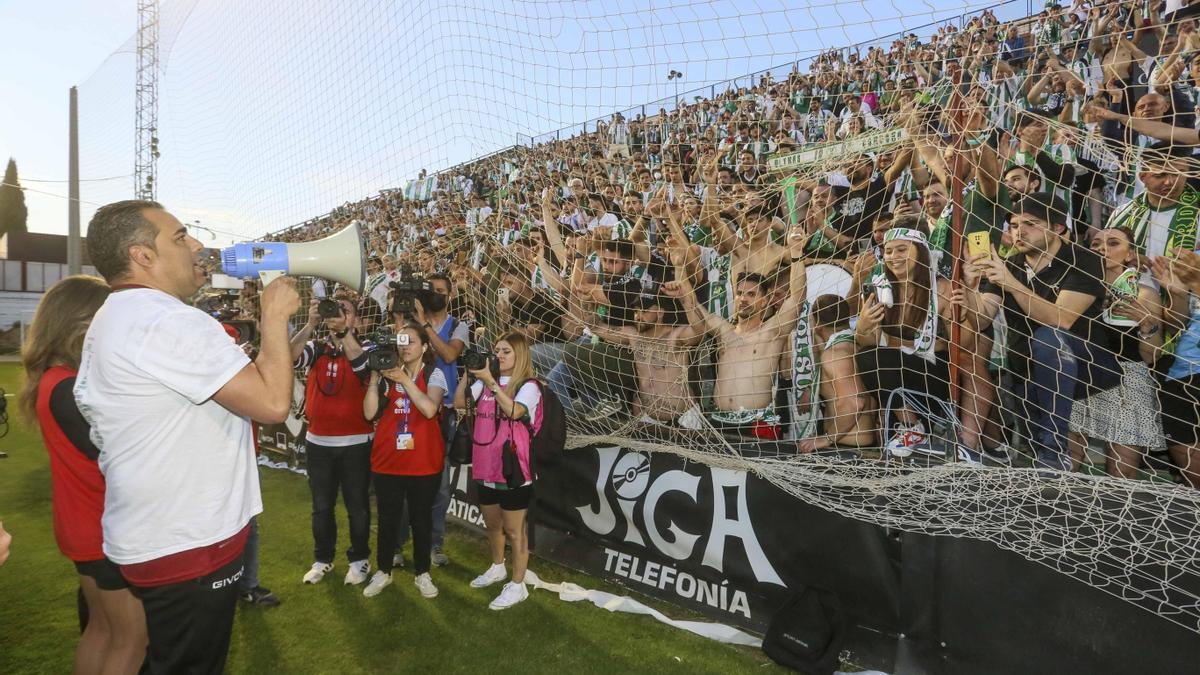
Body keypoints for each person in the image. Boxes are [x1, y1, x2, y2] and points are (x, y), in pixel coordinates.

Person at [75, 200, 299, 674]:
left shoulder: (119, 315)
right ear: (142, 256)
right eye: (179, 237)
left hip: (153, 535)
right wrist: (275, 316)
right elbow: (273, 404)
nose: (197, 244)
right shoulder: (168, 319)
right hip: (190, 542)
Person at [19, 274, 148, 674]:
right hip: (102, 528)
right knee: (132, 640)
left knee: (102, 631)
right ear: (80, 324)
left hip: (83, 523)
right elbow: (119, 454)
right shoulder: (69, 388)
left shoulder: (55, 381)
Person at [964, 192, 1120, 471]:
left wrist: (1011, 283)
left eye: (1031, 223)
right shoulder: (1010, 264)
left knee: (1049, 337)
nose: (1019, 231)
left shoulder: (1084, 259)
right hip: (1027, 370)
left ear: (1058, 227)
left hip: (1087, 364)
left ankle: (1054, 446)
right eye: (1013, 225)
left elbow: (1060, 320)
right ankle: (1049, 455)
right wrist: (969, 286)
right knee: (1041, 466)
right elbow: (982, 320)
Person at [289, 292, 375, 586]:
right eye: (334, 311)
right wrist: (310, 325)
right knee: (321, 506)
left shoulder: (367, 347)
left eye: (345, 311)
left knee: (357, 506)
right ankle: (322, 559)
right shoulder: (317, 347)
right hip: (319, 442)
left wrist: (344, 333)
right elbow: (289, 358)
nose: (337, 314)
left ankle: (360, 559)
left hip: (356, 442)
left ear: (356, 319)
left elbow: (362, 367)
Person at [453, 333, 543, 610]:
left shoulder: (529, 386)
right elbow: (459, 403)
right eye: (497, 351)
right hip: (484, 465)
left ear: (520, 356)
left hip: (513, 468)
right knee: (492, 524)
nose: (499, 356)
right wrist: (469, 375)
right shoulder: (482, 383)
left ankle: (518, 586)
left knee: (515, 531)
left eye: (506, 352)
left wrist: (491, 382)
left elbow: (515, 411)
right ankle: (497, 566)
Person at [1067, 227, 1165, 478]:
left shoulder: (1145, 293)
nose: (1102, 249)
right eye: (1096, 244)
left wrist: (1146, 324)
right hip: (1083, 374)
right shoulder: (1074, 287)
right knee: (1066, 467)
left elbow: (1151, 356)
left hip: (1127, 380)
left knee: (1122, 479)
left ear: (1130, 254)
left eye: (1112, 243)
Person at [361, 323, 447, 599]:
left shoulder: (435, 374)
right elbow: (369, 413)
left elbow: (429, 409)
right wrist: (375, 379)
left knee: (421, 521)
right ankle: (383, 571)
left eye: (411, 341)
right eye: (401, 342)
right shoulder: (385, 374)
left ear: (424, 347)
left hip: (423, 463)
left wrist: (405, 379)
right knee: (388, 520)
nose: (405, 346)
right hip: (388, 462)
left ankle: (422, 573)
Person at [410, 272, 469, 567]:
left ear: (450, 295)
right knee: (405, 478)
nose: (435, 295)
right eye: (430, 290)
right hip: (410, 407)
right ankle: (399, 543)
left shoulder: (459, 326)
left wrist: (422, 326)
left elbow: (447, 356)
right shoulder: (410, 325)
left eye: (440, 291)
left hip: (443, 412)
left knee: (440, 485)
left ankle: (435, 544)